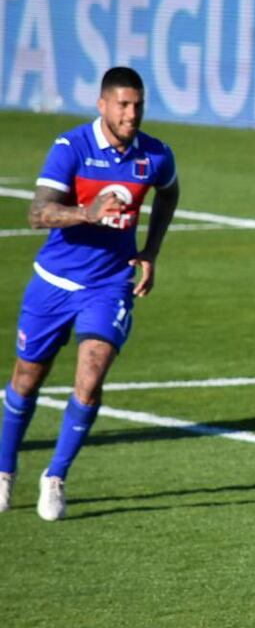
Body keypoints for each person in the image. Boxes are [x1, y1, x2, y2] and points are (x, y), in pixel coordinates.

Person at [0, 67, 179, 521]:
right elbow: (37, 213)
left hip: (109, 284)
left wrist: (150, 250)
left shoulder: (155, 155)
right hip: (54, 283)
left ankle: (55, 476)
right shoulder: (71, 147)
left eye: (137, 104)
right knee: (26, 378)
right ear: (102, 105)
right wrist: (88, 211)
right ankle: (4, 471)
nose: (131, 113)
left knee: (92, 376)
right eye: (122, 104)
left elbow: (169, 193)